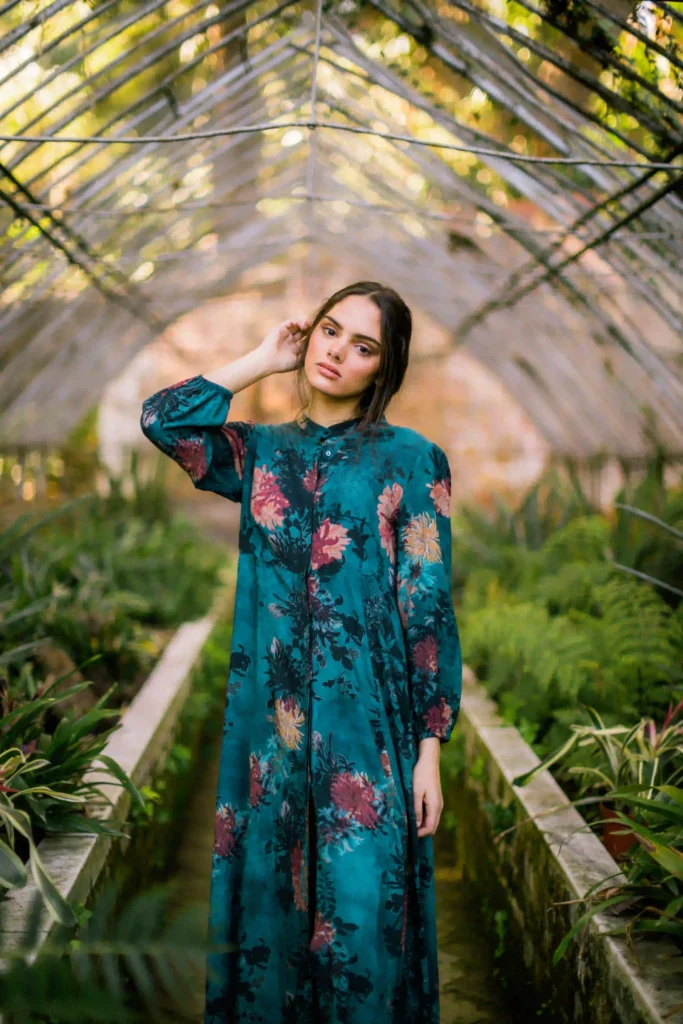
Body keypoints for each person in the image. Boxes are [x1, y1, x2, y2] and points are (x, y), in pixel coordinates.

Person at [140, 280, 462, 1024]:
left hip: (369, 734)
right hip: (271, 735)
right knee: (273, 922)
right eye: (328, 331)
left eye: (362, 347)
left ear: (383, 369)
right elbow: (163, 421)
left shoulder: (412, 460)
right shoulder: (258, 455)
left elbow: (427, 608)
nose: (337, 353)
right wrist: (259, 359)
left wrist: (430, 752)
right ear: (307, 335)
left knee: (362, 924)